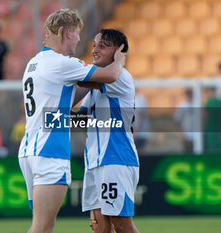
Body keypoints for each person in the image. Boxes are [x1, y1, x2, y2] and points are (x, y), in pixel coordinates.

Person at [18, 9, 126, 233]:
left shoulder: (34, 63)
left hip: (29, 150)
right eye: (77, 34)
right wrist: (120, 59)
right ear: (65, 32)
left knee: (44, 225)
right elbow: (112, 75)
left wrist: (87, 84)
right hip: (49, 150)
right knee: (41, 227)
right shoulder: (61, 63)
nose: (79, 40)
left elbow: (64, 101)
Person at [77, 29, 140, 233]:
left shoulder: (119, 76)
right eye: (94, 45)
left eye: (102, 46)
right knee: (99, 228)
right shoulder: (99, 84)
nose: (94, 50)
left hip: (115, 158)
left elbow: (77, 80)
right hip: (94, 161)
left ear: (118, 51)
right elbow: (80, 119)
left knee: (121, 225)